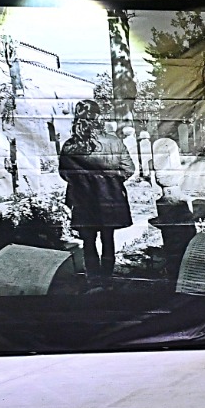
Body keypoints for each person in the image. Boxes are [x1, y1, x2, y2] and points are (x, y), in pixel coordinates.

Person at [58, 100, 135, 288]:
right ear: (98, 117)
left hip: (83, 200)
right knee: (108, 239)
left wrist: (82, 182)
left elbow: (64, 173)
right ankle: (107, 280)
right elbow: (129, 168)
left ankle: (93, 280)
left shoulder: (70, 145)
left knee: (88, 241)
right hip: (110, 198)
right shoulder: (114, 142)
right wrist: (111, 181)